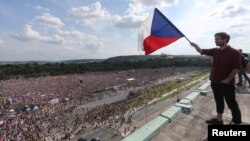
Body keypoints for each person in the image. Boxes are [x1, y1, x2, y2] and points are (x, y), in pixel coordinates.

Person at [190, 32, 242, 125]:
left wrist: (227, 80)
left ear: (225, 39)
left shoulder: (234, 52)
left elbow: (236, 68)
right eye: (215, 39)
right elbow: (201, 51)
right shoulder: (216, 50)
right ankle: (219, 120)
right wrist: (195, 46)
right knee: (219, 101)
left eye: (217, 39)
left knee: (231, 104)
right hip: (215, 82)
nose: (215, 40)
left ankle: (236, 121)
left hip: (227, 84)